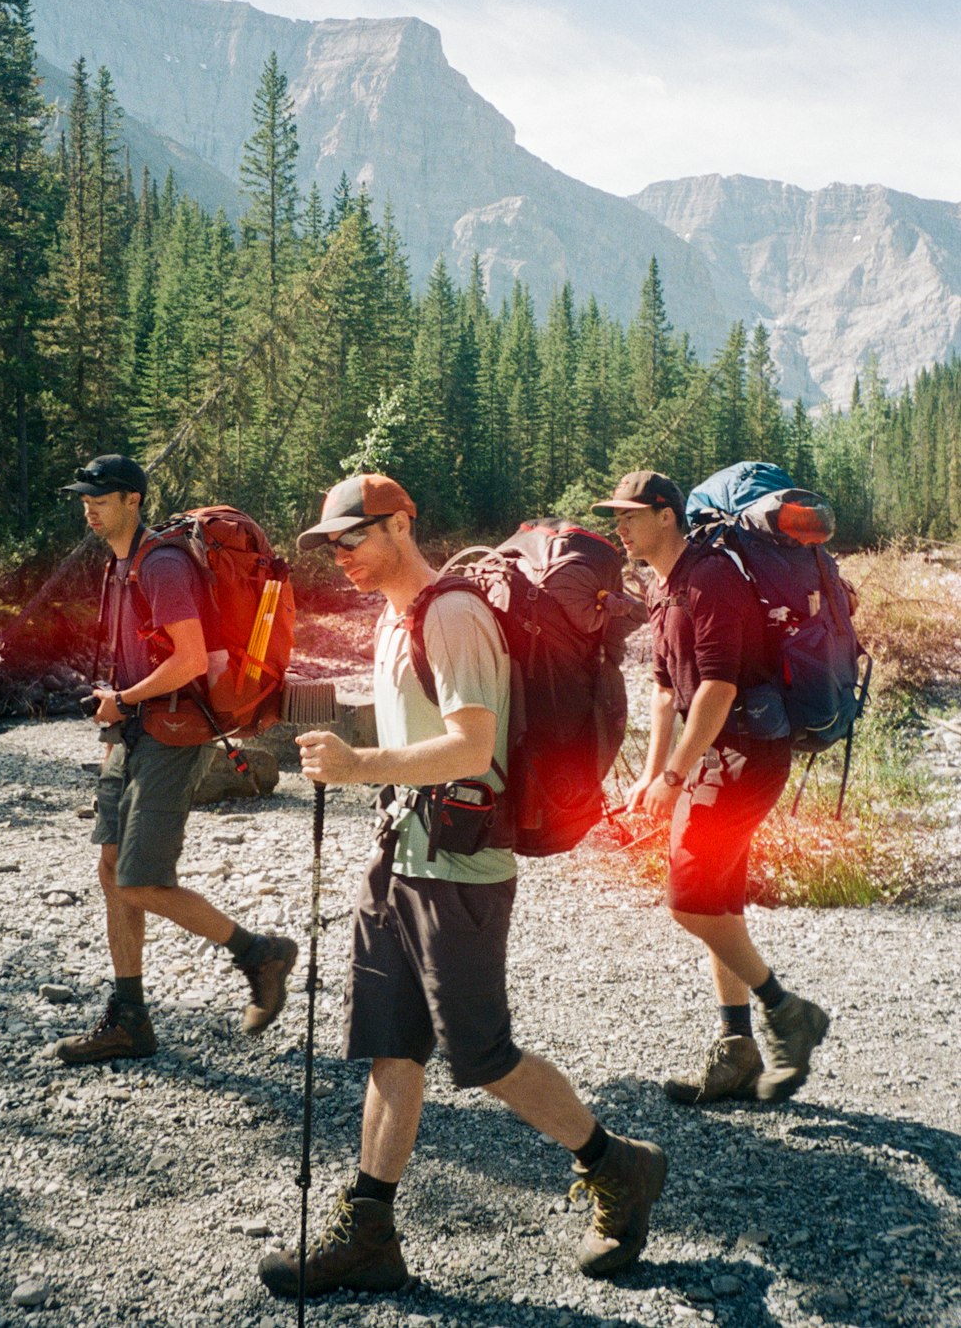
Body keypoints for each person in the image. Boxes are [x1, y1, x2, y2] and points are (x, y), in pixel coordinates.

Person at [258, 473, 666, 1299]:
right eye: (330, 546)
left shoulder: (451, 616)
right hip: (400, 856)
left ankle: (618, 1165)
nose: (342, 558)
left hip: (462, 868)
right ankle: (370, 1231)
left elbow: (472, 749)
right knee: (391, 1046)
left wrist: (357, 764)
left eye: (354, 538)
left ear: (403, 523)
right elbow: (409, 732)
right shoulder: (392, 618)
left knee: (482, 1056)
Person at [593, 470, 829, 1106]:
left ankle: (789, 1012)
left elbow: (719, 687)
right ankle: (736, 1050)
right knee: (718, 901)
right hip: (716, 755)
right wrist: (651, 771)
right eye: (616, 516)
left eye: (630, 515)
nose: (621, 526)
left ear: (667, 515)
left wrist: (675, 774)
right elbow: (668, 688)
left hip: (747, 755)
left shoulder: (712, 577)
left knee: (689, 900)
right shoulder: (666, 585)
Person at [53, 454, 297, 1064]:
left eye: (100, 498)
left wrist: (123, 702)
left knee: (142, 881)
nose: (89, 507)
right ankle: (130, 1019)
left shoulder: (159, 566)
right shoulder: (121, 565)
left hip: (170, 733)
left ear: (132, 501)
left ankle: (258, 952)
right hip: (133, 731)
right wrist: (121, 709)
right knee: (112, 870)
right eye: (84, 498)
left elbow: (189, 659)